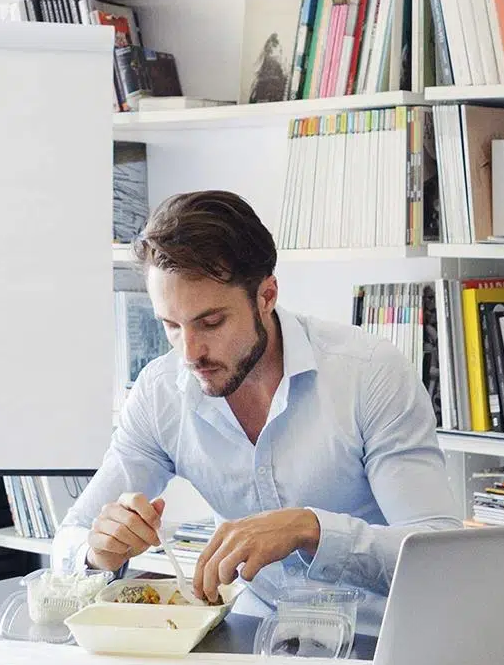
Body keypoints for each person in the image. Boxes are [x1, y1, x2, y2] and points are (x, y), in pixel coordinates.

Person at [51, 190, 461, 633]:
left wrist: (311, 529)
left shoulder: (369, 373)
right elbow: (71, 538)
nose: (189, 353)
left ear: (266, 295)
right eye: (171, 326)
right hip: (249, 639)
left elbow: (440, 553)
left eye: (211, 323)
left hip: (375, 642)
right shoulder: (160, 392)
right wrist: (98, 552)